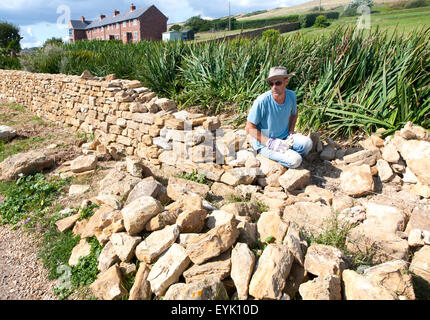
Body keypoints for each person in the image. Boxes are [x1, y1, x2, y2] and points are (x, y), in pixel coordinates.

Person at [245, 66, 313, 168]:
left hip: (285, 136)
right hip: (265, 143)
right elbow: (249, 128)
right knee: (296, 160)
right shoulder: (262, 101)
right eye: (271, 84)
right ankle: (283, 160)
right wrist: (269, 142)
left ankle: (287, 153)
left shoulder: (291, 96)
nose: (274, 87)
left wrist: (291, 130)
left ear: (286, 81)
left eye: (278, 83)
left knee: (307, 143)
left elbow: (294, 114)